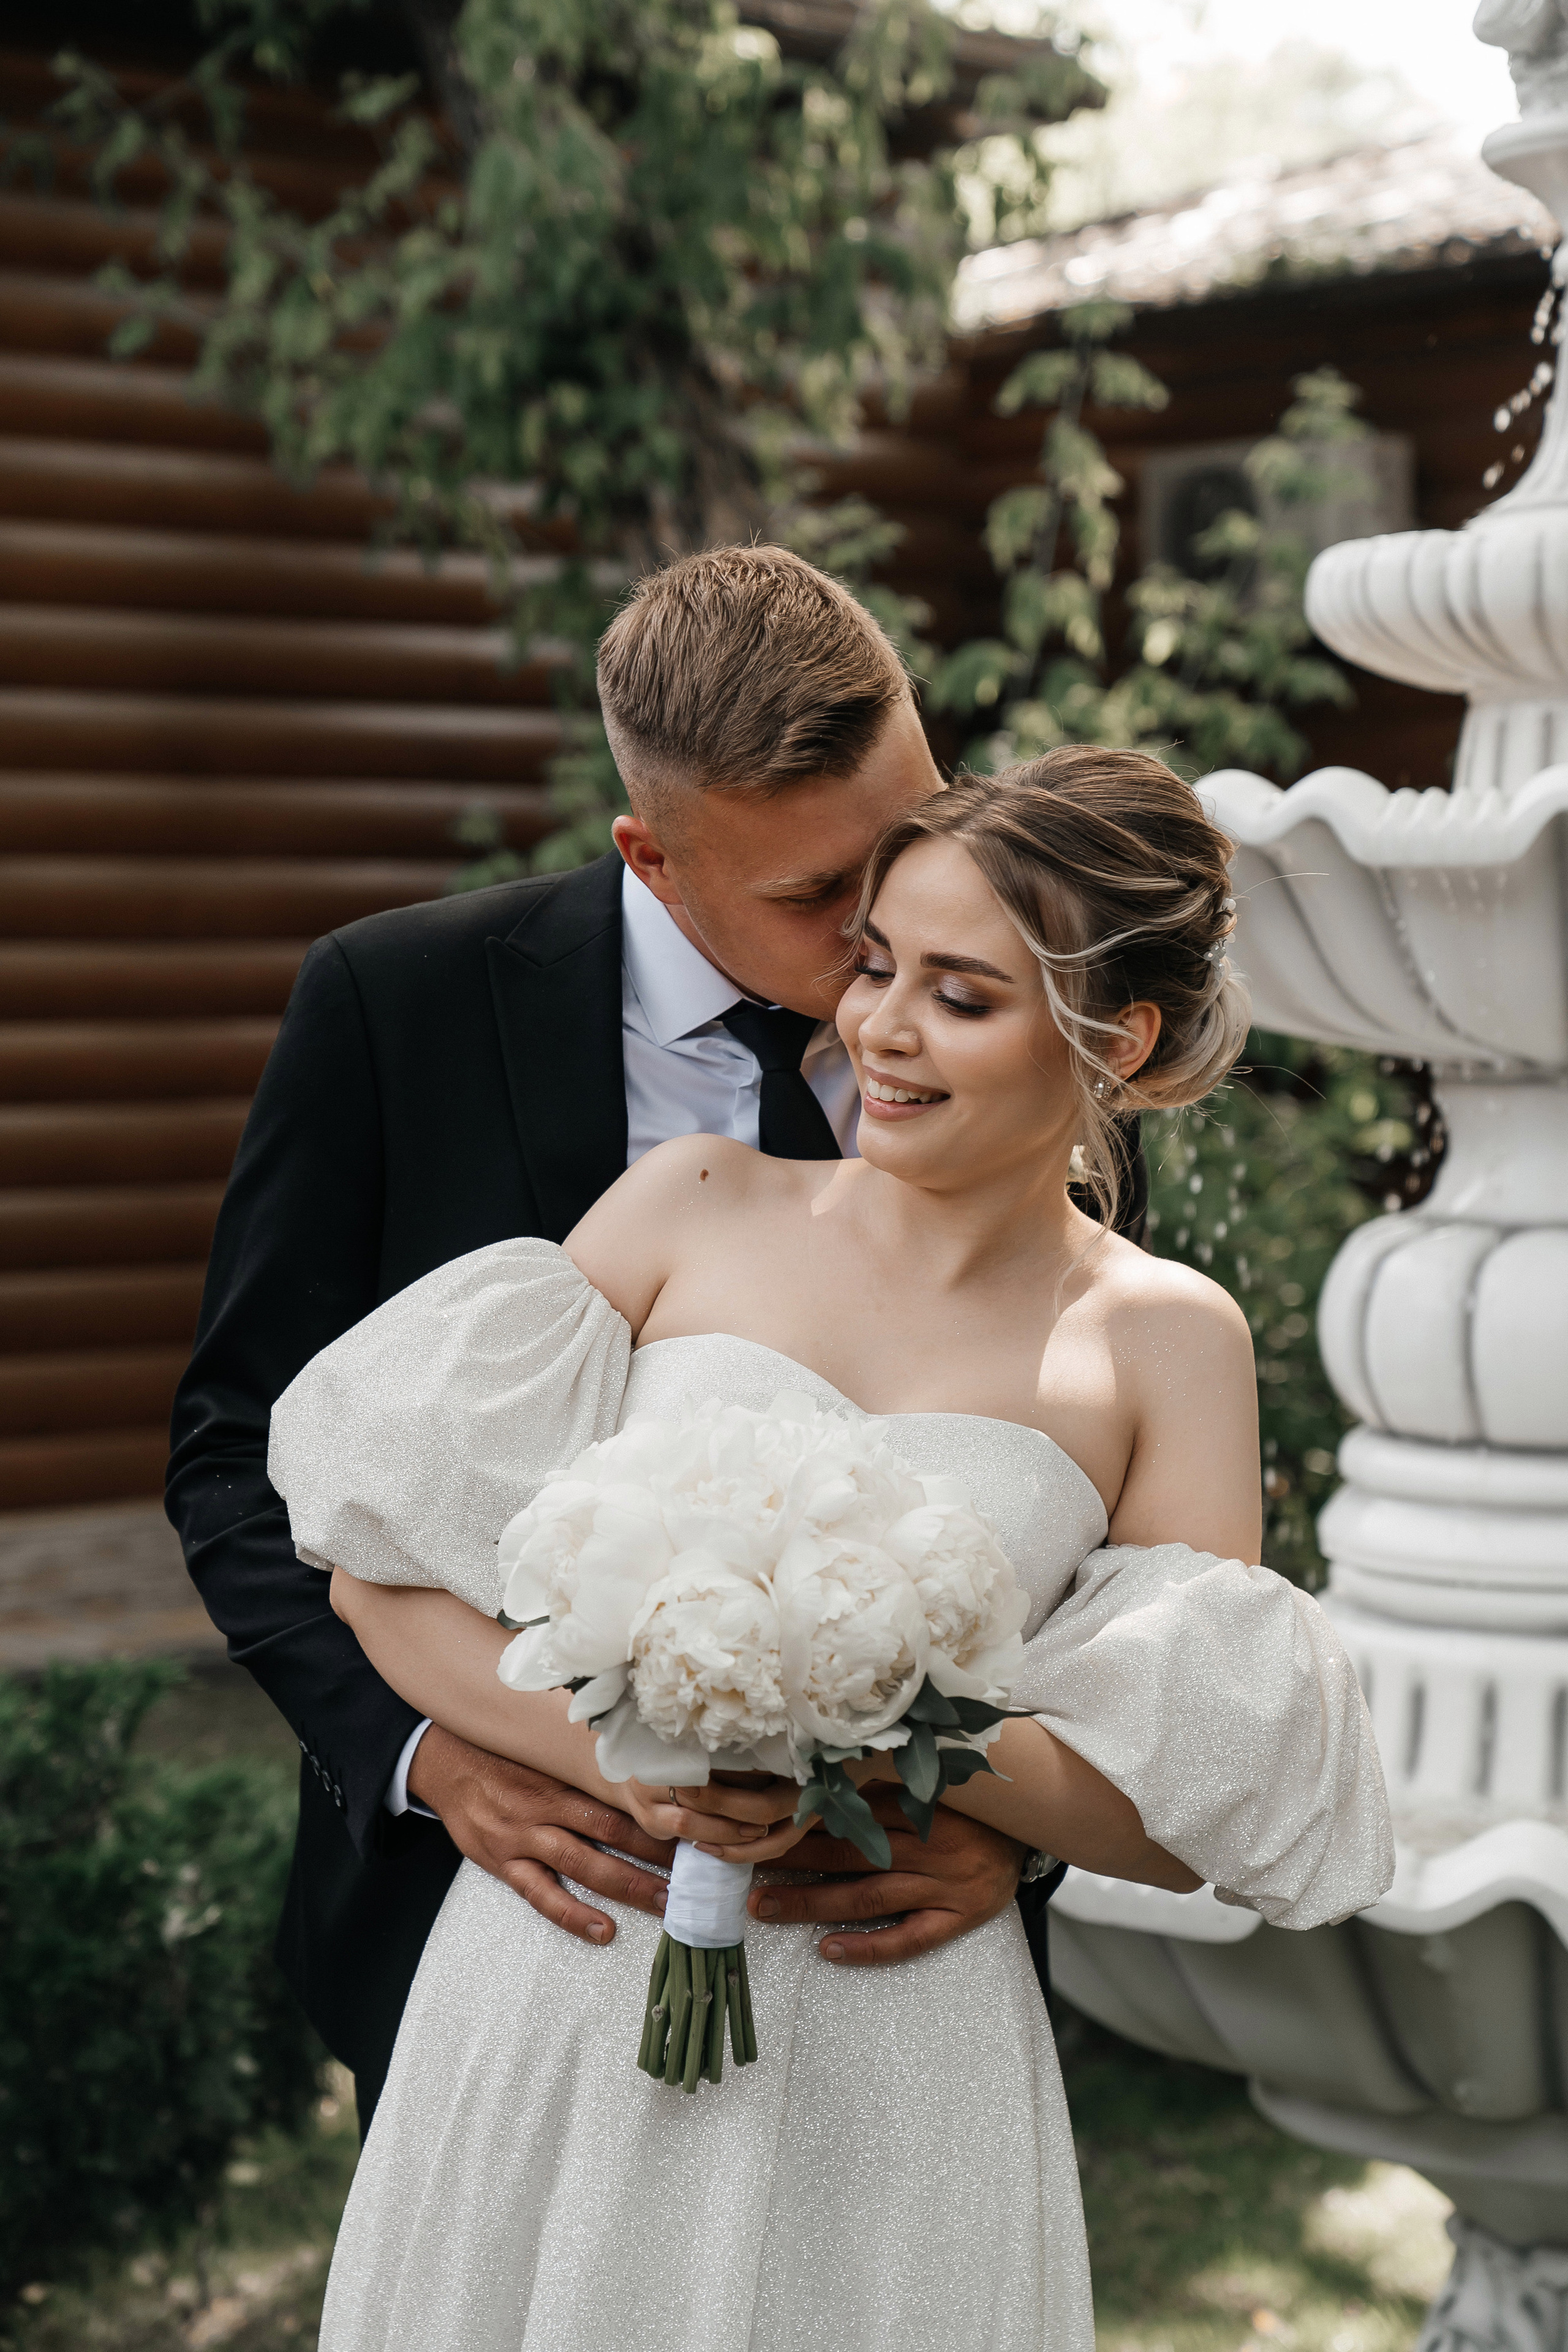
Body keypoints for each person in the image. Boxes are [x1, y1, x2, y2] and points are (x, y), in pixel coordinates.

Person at [270, 750, 1394, 2352]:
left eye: (962, 994)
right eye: (875, 964)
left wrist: (891, 1720)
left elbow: (1165, 1796)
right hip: (569, 1972)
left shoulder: (1163, 1344)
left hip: (887, 2025)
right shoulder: (692, 1206)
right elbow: (379, 1568)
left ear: (1116, 1041)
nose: (881, 1027)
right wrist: (615, 1755)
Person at [167, 546, 1142, 2132]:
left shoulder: (1036, 1046)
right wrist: (428, 1748)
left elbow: (1091, 1501)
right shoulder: (392, 1009)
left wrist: (1018, 1824)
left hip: (889, 1962)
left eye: (907, 836)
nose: (890, 918)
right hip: (487, 1921)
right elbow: (239, 1457)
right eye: (820, 898)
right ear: (653, 854)